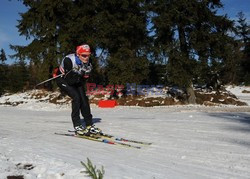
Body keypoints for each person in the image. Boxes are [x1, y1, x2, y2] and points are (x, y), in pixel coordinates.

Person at [56, 44, 101, 136]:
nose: (86, 58)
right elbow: (70, 81)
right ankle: (77, 125)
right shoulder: (69, 60)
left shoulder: (89, 62)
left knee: (84, 99)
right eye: (84, 55)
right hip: (63, 80)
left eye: (88, 55)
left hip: (77, 79)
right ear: (78, 54)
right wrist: (81, 74)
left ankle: (89, 124)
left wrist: (84, 76)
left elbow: (84, 78)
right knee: (76, 98)